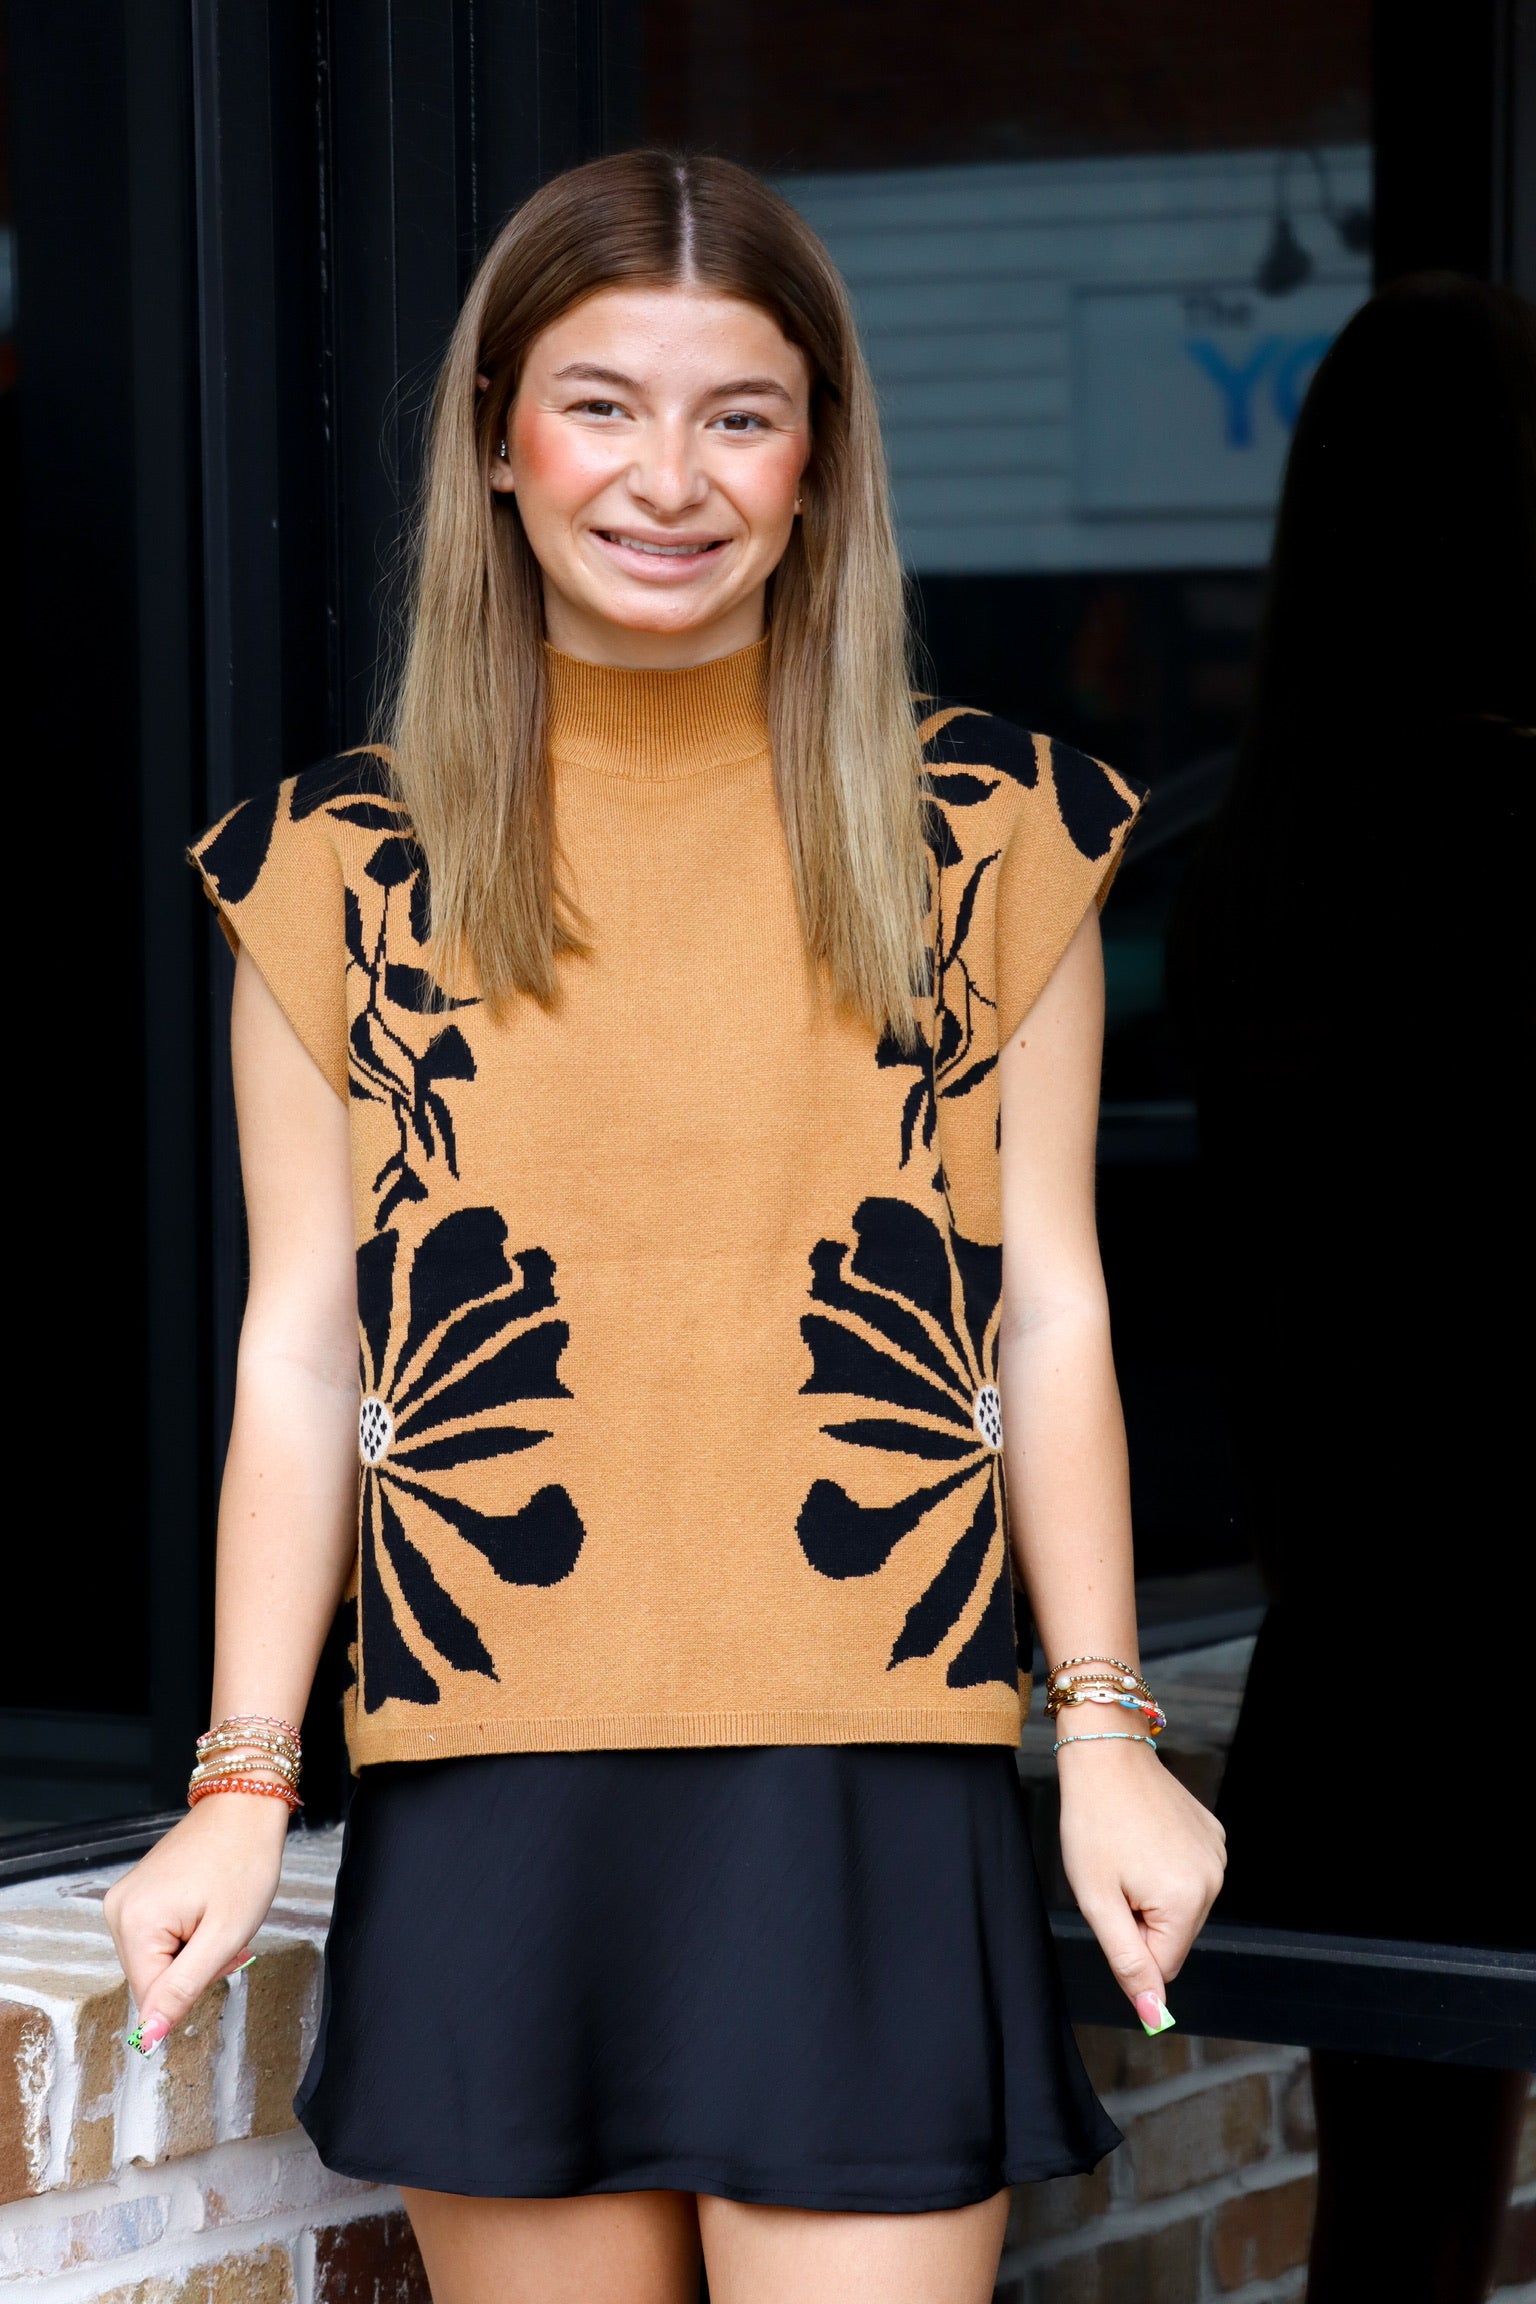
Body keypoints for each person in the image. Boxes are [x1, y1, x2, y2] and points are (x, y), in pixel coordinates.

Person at [104, 151, 1224, 2304]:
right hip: (489, 1776)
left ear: (820, 457)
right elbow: (306, 1350)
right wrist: (243, 1776)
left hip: (867, 1768)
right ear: (497, 440)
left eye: (741, 414)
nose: (671, 477)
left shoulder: (993, 834)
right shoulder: (336, 863)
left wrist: (1105, 1734)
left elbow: (1048, 1312)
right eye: (602, 404)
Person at [1171, 273, 1536, 2303]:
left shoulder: (1256, 863)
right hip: (1494, 1631)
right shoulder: (1504, 829)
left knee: (1394, 2234)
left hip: (1372, 1662)